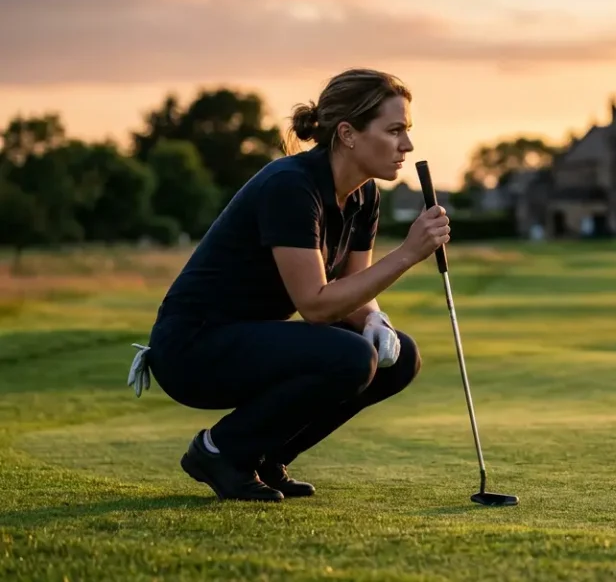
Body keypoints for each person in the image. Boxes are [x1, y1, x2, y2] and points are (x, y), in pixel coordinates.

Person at [125, 69, 453, 502]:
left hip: (253, 342)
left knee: (400, 355)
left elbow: (352, 287)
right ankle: (219, 451)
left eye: (407, 131)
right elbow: (315, 306)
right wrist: (409, 253)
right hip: (194, 349)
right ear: (348, 134)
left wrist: (375, 320)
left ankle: (265, 457)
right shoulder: (291, 186)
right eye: (394, 131)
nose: (407, 146)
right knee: (350, 356)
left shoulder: (364, 196)